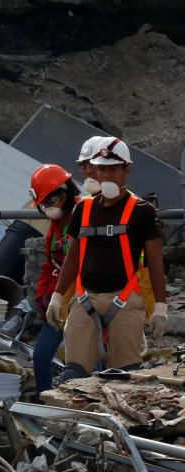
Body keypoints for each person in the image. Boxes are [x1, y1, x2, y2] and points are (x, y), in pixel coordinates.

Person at [48, 139, 167, 382]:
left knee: (124, 377)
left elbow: (155, 262)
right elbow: (73, 257)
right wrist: (58, 296)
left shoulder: (142, 211)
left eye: (112, 169)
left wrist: (161, 307)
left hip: (124, 298)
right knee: (72, 374)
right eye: (101, 169)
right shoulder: (84, 209)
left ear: (127, 169)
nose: (105, 175)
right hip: (85, 297)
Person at [28, 164, 80, 395]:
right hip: (59, 302)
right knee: (41, 356)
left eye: (51, 201)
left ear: (64, 192)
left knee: (85, 362)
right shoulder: (57, 226)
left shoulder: (83, 214)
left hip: (82, 300)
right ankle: (43, 405)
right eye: (44, 203)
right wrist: (43, 297)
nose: (48, 207)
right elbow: (50, 264)